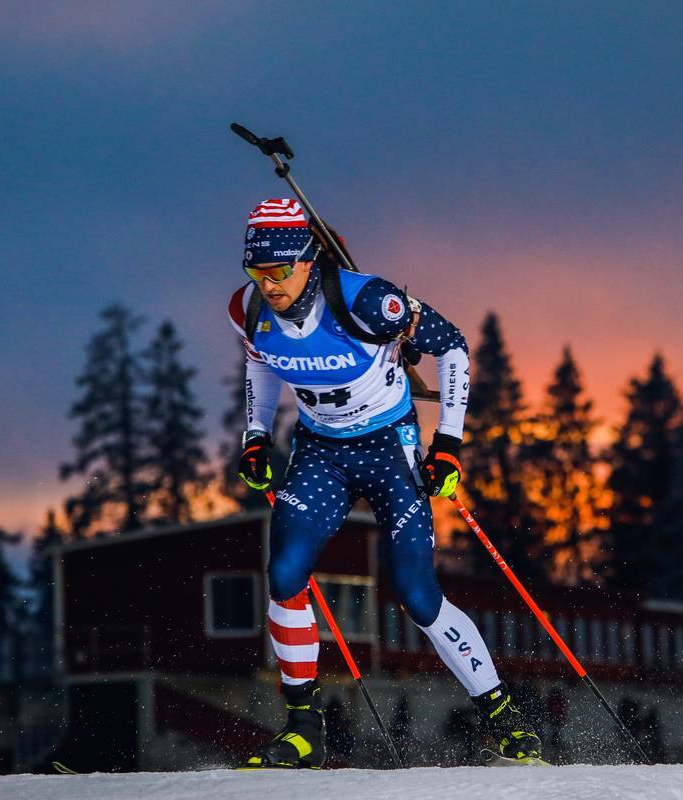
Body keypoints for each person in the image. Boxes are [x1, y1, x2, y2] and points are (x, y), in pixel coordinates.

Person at [228, 198, 540, 769]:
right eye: (257, 271)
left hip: (387, 448)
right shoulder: (248, 309)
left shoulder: (369, 299)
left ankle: (503, 718)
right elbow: (261, 364)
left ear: (307, 258)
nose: (267, 284)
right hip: (320, 450)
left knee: (416, 593)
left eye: (278, 270)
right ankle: (303, 728)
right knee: (285, 573)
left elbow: (452, 349)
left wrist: (447, 444)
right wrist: (255, 435)